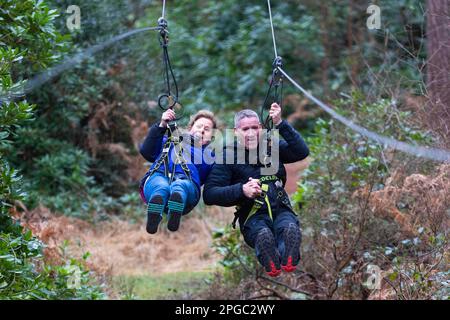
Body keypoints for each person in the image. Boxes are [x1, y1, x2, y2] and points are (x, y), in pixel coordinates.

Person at [203, 103, 309, 277]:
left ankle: (287, 256)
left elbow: (301, 152)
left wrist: (280, 123)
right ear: (236, 131)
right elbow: (209, 194)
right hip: (253, 214)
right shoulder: (227, 156)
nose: (251, 133)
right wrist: (242, 190)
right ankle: (270, 258)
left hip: (281, 208)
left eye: (254, 128)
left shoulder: (271, 147)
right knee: (262, 233)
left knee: (289, 228)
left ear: (260, 128)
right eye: (245, 129)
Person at [139, 109, 216, 234]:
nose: (202, 130)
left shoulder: (211, 157)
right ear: (190, 128)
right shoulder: (168, 140)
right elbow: (147, 151)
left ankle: (176, 203)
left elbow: (219, 178)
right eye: (199, 126)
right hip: (159, 174)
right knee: (160, 186)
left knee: (180, 186)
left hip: (188, 182)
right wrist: (162, 125)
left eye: (207, 129)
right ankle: (155, 209)